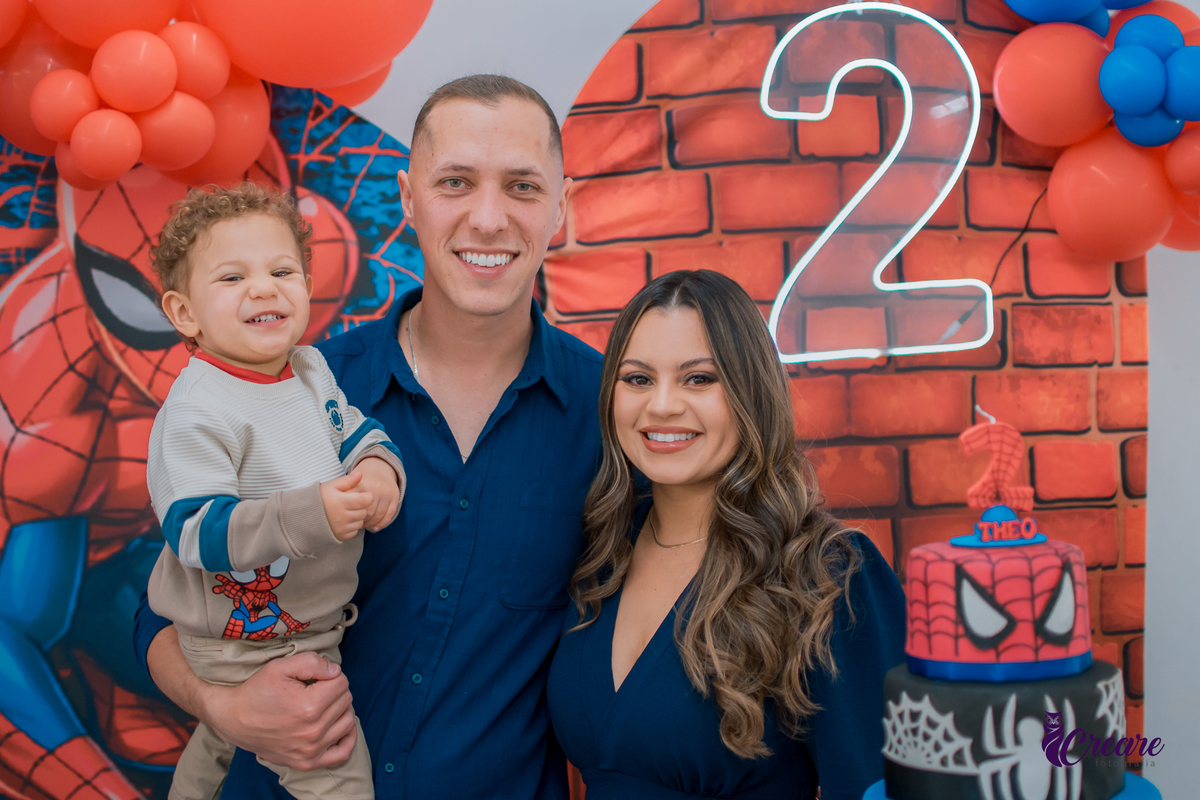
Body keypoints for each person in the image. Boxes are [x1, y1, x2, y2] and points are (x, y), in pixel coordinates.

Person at [133, 75, 602, 799]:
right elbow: (162, 609)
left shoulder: (610, 411)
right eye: (455, 182)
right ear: (408, 197)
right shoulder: (295, 391)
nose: (487, 219)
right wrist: (222, 707)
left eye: (522, 187)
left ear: (561, 206)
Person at [547, 270, 906, 800]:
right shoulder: (602, 552)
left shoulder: (828, 571)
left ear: (749, 393)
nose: (662, 405)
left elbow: (881, 783)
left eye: (698, 379)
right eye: (637, 379)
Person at [147, 183, 405, 800]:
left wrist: (378, 469)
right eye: (232, 278)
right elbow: (196, 532)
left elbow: (357, 434)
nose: (264, 288)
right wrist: (311, 514)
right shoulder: (198, 409)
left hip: (305, 624)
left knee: (218, 744)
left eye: (282, 271)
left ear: (307, 287)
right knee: (336, 770)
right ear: (185, 314)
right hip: (242, 640)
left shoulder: (310, 371)